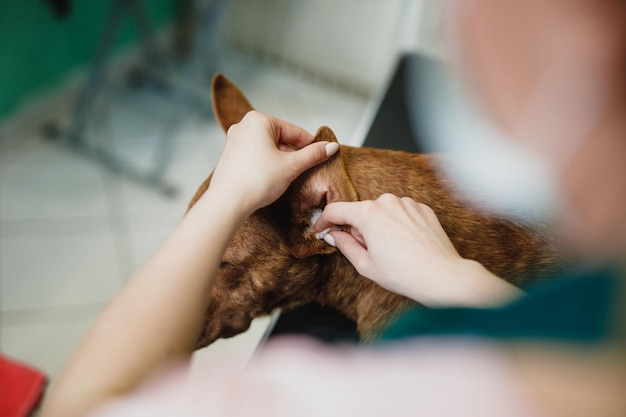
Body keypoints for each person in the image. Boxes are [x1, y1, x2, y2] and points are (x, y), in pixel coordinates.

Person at [42, 0, 626, 416]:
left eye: (222, 270)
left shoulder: (392, 384)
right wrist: (458, 280)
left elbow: (94, 407)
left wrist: (227, 200)